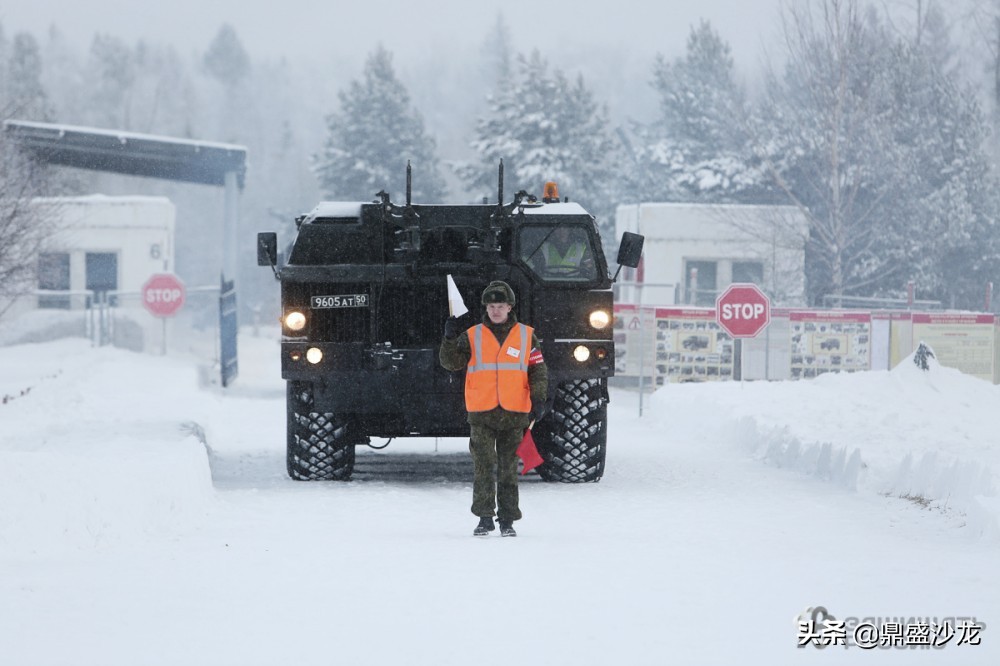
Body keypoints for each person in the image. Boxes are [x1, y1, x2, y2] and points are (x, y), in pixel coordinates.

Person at [439, 280, 548, 537]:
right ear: (485, 308)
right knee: (484, 467)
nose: (496, 311)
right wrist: (449, 338)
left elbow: (538, 370)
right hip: (482, 412)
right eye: (491, 306)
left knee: (508, 470)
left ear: (510, 307)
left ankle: (507, 520)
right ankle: (484, 518)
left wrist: (539, 399)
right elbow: (450, 363)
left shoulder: (527, 336)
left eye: (500, 306)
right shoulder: (472, 335)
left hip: (514, 413)